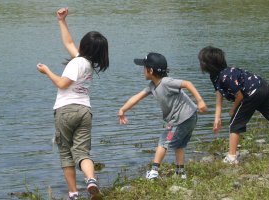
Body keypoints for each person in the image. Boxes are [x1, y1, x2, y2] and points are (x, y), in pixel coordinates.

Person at [36, 7, 108, 200]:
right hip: (85, 111)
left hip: (66, 110)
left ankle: (73, 194)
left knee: (66, 154)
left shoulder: (76, 63)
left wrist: (47, 71)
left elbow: (62, 83)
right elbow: (68, 42)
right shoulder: (88, 64)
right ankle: (91, 180)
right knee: (82, 152)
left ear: (85, 46)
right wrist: (61, 20)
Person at [197, 46, 269, 164]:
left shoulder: (225, 76)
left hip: (251, 93)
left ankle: (231, 157)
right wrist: (217, 117)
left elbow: (240, 95)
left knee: (235, 124)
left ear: (209, 64)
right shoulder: (216, 76)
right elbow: (219, 95)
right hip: (263, 87)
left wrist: (233, 109)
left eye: (202, 61)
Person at [118, 52, 207, 179]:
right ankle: (180, 172)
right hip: (190, 117)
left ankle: (154, 172)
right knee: (179, 144)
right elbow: (137, 97)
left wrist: (200, 101)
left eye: (144, 68)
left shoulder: (166, 82)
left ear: (151, 70)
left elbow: (187, 83)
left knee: (163, 141)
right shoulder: (152, 86)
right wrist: (123, 109)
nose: (142, 71)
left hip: (180, 119)